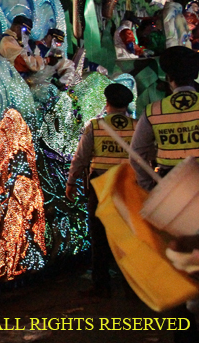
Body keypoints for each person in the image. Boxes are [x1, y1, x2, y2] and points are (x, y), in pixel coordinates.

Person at [66, 83, 135, 297]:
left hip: (101, 184)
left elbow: (81, 157)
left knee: (99, 235)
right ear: (127, 104)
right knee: (128, 235)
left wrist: (71, 182)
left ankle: (101, 285)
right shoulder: (137, 125)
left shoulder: (95, 126)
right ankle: (131, 286)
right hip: (127, 185)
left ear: (107, 102)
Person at [131, 46, 199, 190]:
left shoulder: (153, 111)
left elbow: (136, 155)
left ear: (168, 77)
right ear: (195, 75)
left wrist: (149, 187)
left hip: (169, 187)